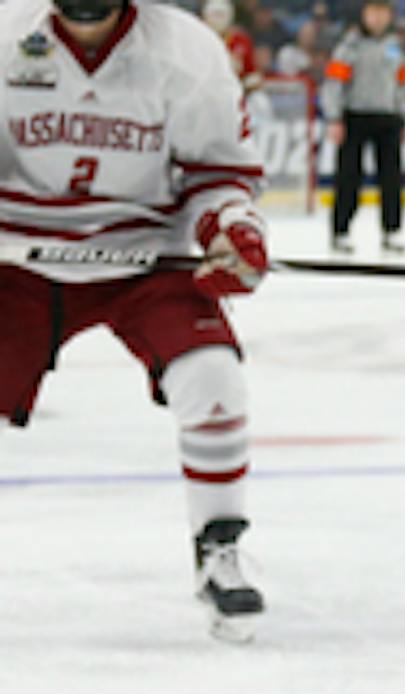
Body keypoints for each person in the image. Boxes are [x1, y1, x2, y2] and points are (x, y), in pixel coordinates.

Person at [0, 0, 271, 639]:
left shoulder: (187, 50)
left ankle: (218, 549)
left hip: (148, 256)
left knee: (213, 380)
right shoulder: (7, 35)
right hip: (17, 261)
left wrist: (232, 230)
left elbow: (220, 173)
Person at [322, 0, 405, 255]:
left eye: (383, 13)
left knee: (392, 178)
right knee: (349, 176)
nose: (377, 19)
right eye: (373, 13)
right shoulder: (348, 47)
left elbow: (401, 85)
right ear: (364, 14)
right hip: (355, 117)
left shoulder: (394, 46)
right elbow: (333, 84)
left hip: (388, 117)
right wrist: (334, 117)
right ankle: (340, 231)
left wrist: (404, 117)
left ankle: (392, 231)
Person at [201, 0, 263, 90]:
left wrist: (249, 82)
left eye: (222, 15)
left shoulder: (241, 40)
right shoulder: (199, 41)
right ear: (205, 17)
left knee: (259, 100)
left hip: (236, 89)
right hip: (206, 88)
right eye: (215, 15)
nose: (219, 20)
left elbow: (251, 72)